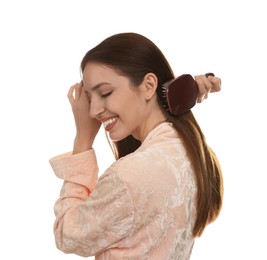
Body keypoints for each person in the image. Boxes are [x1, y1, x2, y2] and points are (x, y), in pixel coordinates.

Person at [49, 32, 223, 260]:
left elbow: (67, 235)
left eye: (105, 93)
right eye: (90, 98)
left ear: (149, 85)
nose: (92, 112)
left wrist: (83, 141)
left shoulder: (126, 178)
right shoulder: (189, 151)